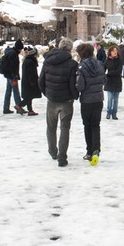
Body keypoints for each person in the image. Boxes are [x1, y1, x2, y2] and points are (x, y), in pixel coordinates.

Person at [39, 37, 80, 167]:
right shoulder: (72, 64)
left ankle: (52, 151)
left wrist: (47, 93)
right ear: (70, 49)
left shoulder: (48, 61)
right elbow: (73, 84)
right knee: (65, 128)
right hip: (66, 100)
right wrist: (74, 96)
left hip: (52, 99)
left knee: (51, 127)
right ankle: (62, 157)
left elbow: (41, 80)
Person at [76, 42, 105, 165]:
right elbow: (104, 80)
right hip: (98, 99)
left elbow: (80, 86)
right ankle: (96, 150)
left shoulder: (82, 67)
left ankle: (89, 151)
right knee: (96, 125)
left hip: (87, 101)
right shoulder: (99, 64)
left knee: (87, 126)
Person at [1, 40, 26, 115]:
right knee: (16, 91)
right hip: (12, 76)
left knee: (8, 91)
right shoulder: (14, 54)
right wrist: (15, 76)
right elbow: (13, 67)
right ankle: (19, 107)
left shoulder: (9, 52)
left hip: (8, 75)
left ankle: (6, 108)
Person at [20, 46, 41, 116]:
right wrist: (33, 82)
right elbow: (31, 73)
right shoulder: (31, 62)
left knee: (29, 96)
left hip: (26, 81)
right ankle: (19, 105)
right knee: (29, 96)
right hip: (30, 82)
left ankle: (30, 110)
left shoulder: (26, 60)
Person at [103, 45, 122, 120]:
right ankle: (108, 112)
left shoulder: (119, 60)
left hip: (117, 81)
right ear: (110, 52)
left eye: (116, 50)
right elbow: (103, 69)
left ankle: (114, 113)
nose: (115, 52)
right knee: (110, 98)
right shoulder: (107, 60)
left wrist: (109, 73)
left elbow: (119, 71)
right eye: (113, 50)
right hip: (109, 82)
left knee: (116, 99)